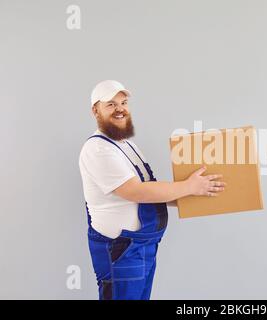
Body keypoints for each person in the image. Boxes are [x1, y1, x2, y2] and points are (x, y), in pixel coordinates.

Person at [79, 80, 226, 300]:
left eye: (124, 102)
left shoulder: (126, 145)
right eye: (110, 104)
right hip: (121, 251)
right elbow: (136, 192)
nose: (120, 108)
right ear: (95, 110)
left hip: (142, 247)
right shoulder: (97, 149)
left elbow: (150, 189)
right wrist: (189, 186)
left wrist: (194, 192)